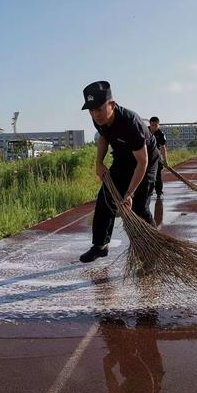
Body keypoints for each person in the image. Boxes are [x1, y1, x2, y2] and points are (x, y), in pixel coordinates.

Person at [79, 81, 160, 263]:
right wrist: (99, 163)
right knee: (105, 200)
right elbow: (104, 138)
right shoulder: (98, 118)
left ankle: (153, 250)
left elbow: (142, 161)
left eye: (99, 109)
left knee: (139, 206)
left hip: (144, 161)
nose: (95, 114)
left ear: (112, 105)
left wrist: (129, 193)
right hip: (122, 158)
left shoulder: (131, 123)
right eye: (91, 110)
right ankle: (100, 246)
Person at [148, 116, 168, 199]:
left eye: (156, 125)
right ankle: (148, 192)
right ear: (150, 124)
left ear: (158, 125)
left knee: (158, 175)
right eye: (152, 125)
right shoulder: (144, 131)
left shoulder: (161, 134)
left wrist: (165, 160)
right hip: (146, 157)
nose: (154, 127)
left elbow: (163, 148)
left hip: (157, 157)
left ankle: (159, 192)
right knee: (148, 176)